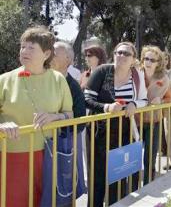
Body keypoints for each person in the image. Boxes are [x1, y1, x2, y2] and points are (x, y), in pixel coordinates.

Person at [0, 27, 73, 207]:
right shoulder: (4, 80)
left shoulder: (58, 79)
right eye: (22, 47)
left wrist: (54, 117)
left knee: (45, 202)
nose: (24, 51)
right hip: (12, 156)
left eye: (31, 48)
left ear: (46, 53)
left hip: (49, 155)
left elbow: (70, 114)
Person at [84, 42, 147, 206]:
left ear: (133, 59)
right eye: (118, 52)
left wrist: (134, 104)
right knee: (97, 178)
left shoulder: (137, 75)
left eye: (126, 54)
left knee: (117, 177)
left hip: (123, 132)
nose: (121, 56)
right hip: (99, 132)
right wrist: (106, 107)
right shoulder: (102, 71)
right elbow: (86, 99)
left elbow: (144, 100)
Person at [50, 41, 86, 206]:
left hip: (65, 145)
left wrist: (58, 121)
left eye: (56, 53)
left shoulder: (73, 86)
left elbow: (80, 120)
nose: (51, 55)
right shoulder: (43, 79)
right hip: (45, 145)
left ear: (68, 61)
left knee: (65, 187)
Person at [139, 45, 171, 184]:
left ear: (158, 62)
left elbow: (169, 99)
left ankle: (148, 185)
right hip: (134, 122)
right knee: (133, 157)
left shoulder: (164, 79)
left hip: (154, 121)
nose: (148, 62)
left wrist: (161, 100)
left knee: (150, 158)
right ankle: (132, 188)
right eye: (146, 58)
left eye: (152, 60)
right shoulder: (135, 74)